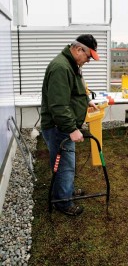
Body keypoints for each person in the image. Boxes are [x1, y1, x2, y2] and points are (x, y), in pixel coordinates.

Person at [41, 34, 99, 216]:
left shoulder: (71, 65)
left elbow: (74, 91)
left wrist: (87, 101)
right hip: (59, 127)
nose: (88, 61)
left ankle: (66, 190)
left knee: (68, 163)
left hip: (63, 126)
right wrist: (72, 129)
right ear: (79, 49)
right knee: (65, 165)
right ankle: (63, 202)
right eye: (89, 56)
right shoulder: (61, 67)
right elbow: (58, 105)